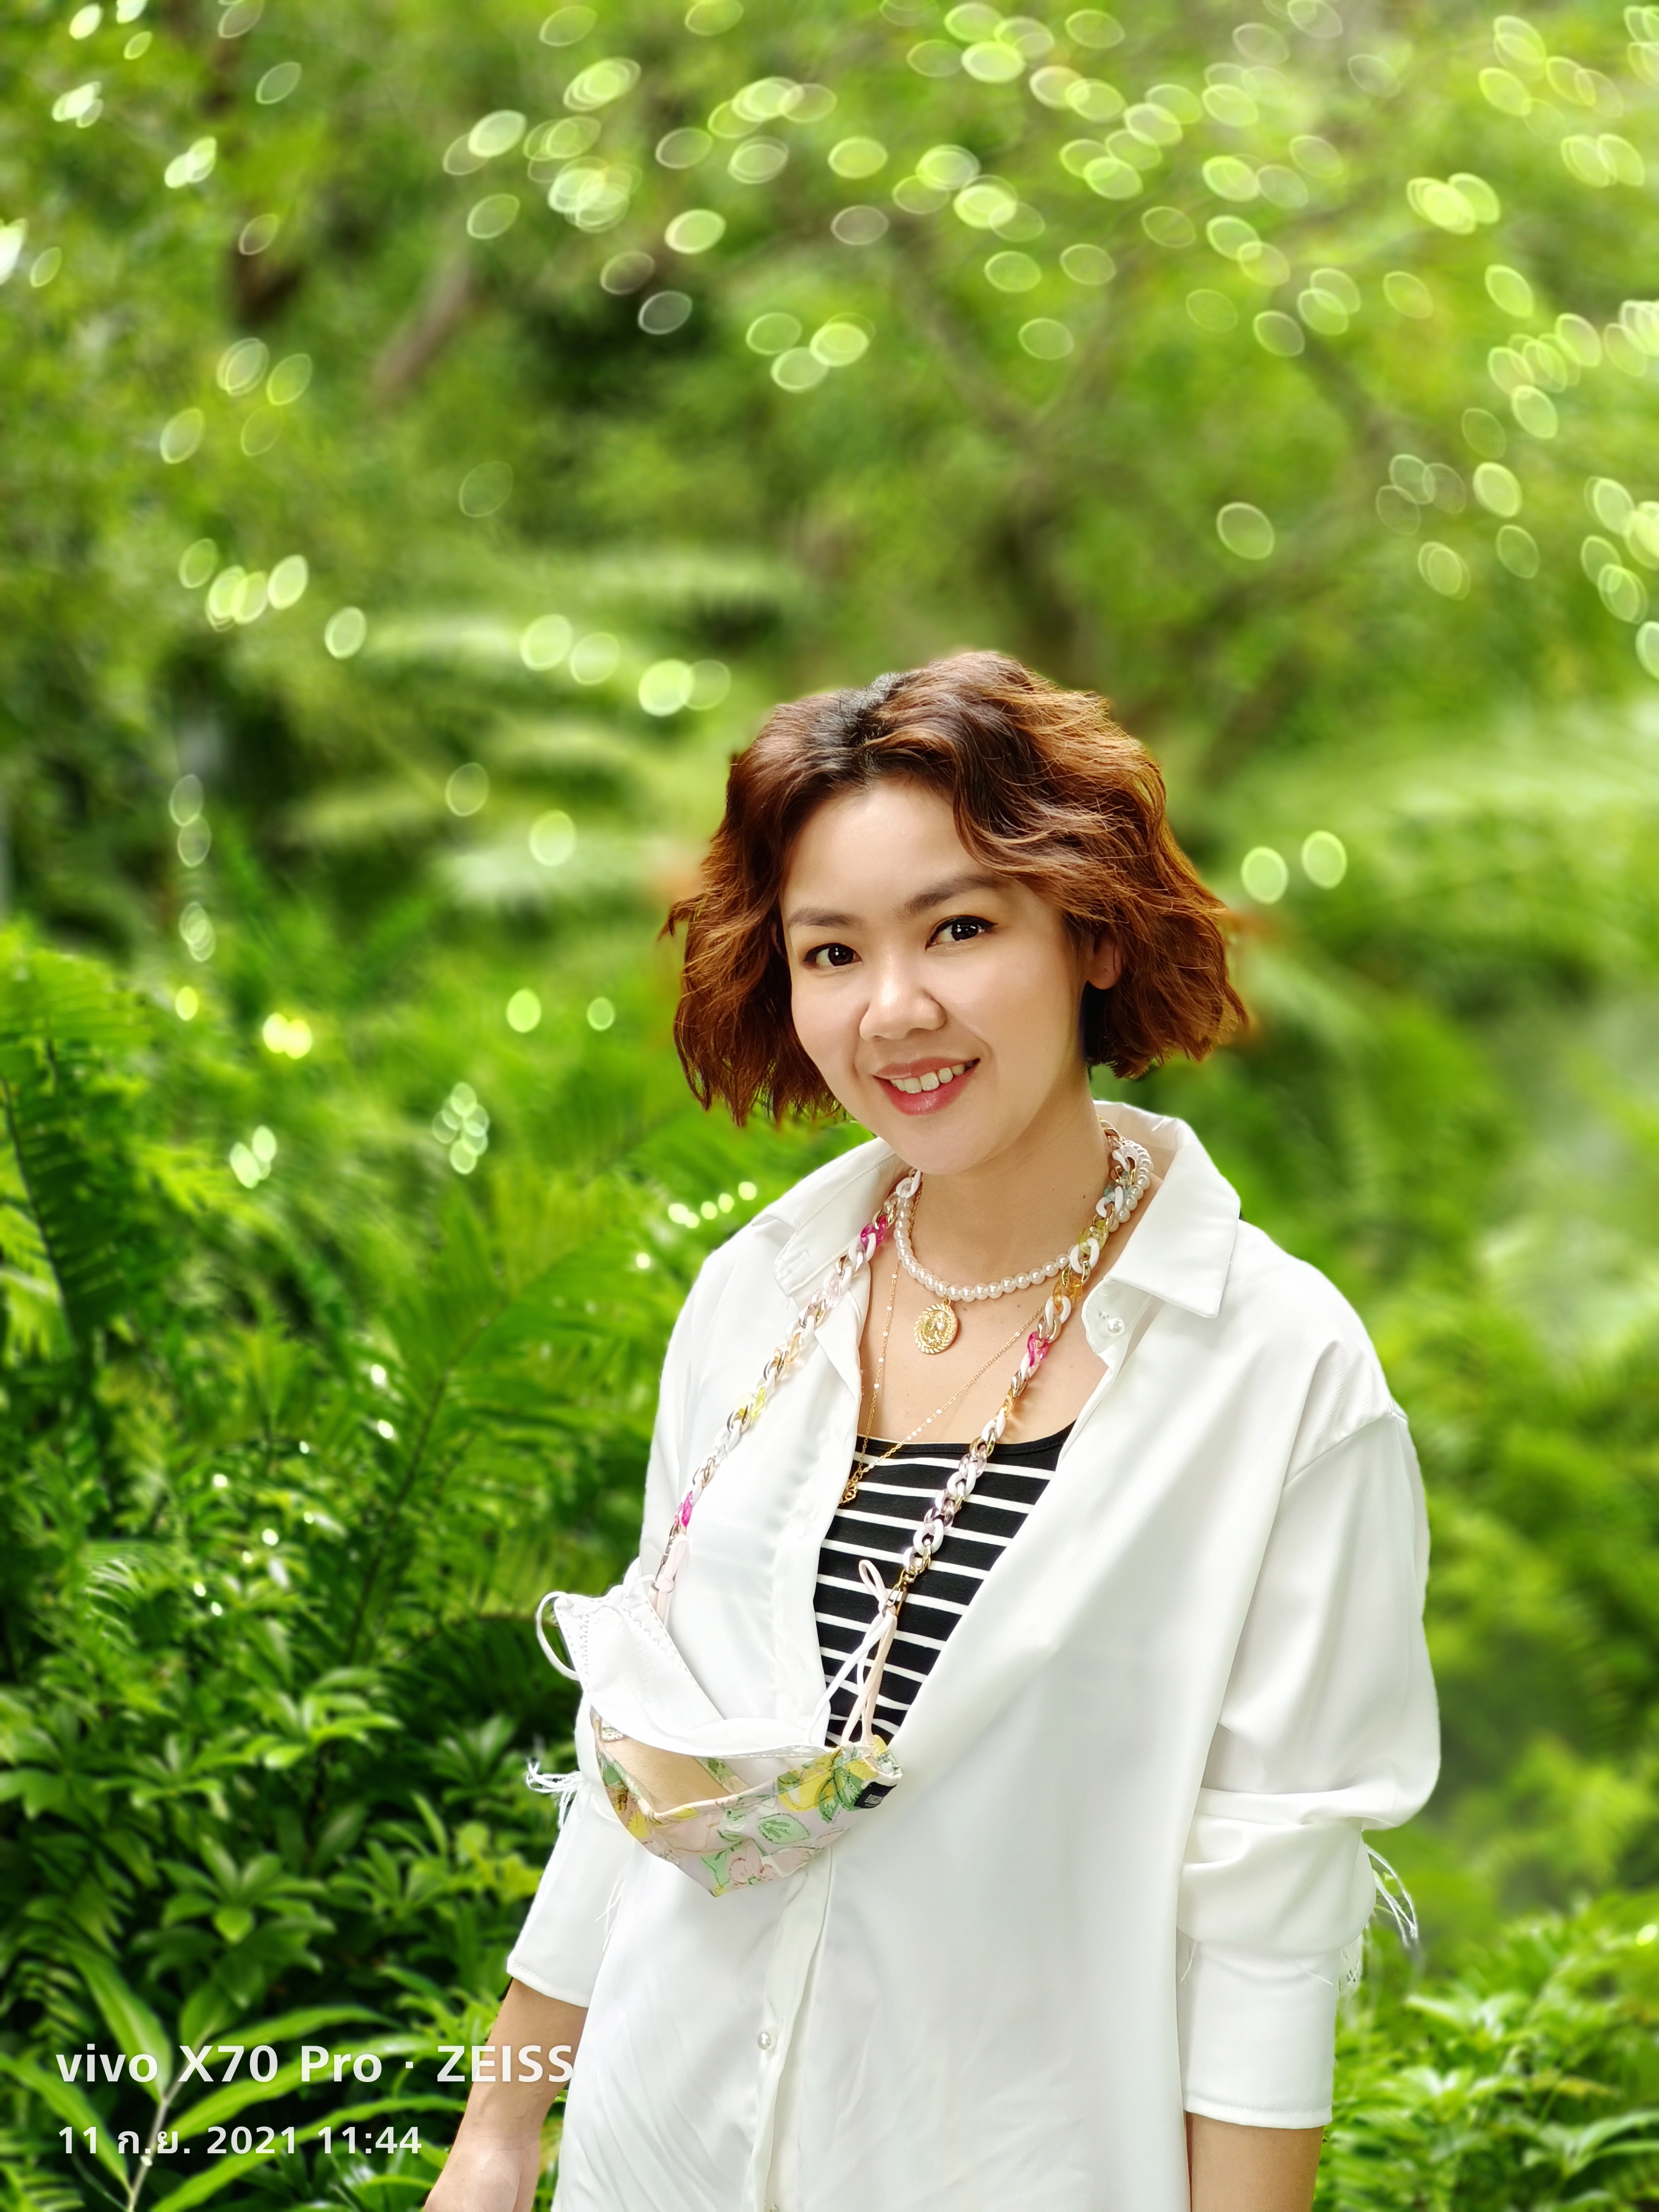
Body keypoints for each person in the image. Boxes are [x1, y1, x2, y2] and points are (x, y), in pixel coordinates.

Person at [425, 652, 1438, 2212]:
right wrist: (502, 2129)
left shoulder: (1279, 1374)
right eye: (832, 951)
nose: (895, 1010)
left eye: (959, 928)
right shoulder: (759, 1294)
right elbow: (648, 1731)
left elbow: (1267, 1931)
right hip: (658, 2152)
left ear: (1092, 929)